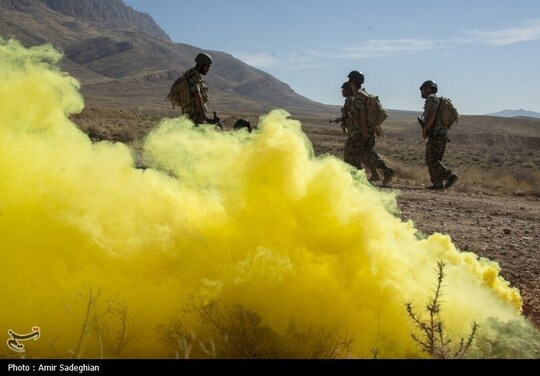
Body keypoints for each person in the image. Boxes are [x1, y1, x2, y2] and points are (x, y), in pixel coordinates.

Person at [346, 71, 394, 185]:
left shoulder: (358, 95)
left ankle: (357, 179)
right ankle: (386, 171)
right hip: (366, 131)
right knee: (365, 153)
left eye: (350, 80)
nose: (348, 82)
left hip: (360, 132)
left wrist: (363, 131)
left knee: (350, 154)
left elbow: (362, 113)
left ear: (352, 81)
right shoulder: (364, 94)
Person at [419, 80, 459, 190]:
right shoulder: (436, 99)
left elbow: (432, 115)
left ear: (428, 88)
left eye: (423, 89)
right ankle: (437, 184)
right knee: (433, 159)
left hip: (436, 135)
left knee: (431, 160)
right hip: (440, 135)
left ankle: (449, 176)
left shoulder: (431, 98)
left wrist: (425, 129)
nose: (421, 91)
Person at [340, 82, 380, 181]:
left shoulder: (351, 100)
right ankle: (373, 174)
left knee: (351, 154)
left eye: (344, 89)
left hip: (357, 133)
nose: (342, 91)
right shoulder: (352, 100)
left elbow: (360, 116)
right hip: (358, 132)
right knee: (361, 154)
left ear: (349, 90)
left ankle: (358, 177)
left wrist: (364, 131)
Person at [182, 52, 213, 125]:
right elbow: (196, 94)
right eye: (207, 66)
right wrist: (203, 115)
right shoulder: (194, 76)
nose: (208, 69)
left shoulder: (196, 75)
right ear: (201, 64)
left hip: (194, 115)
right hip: (193, 115)